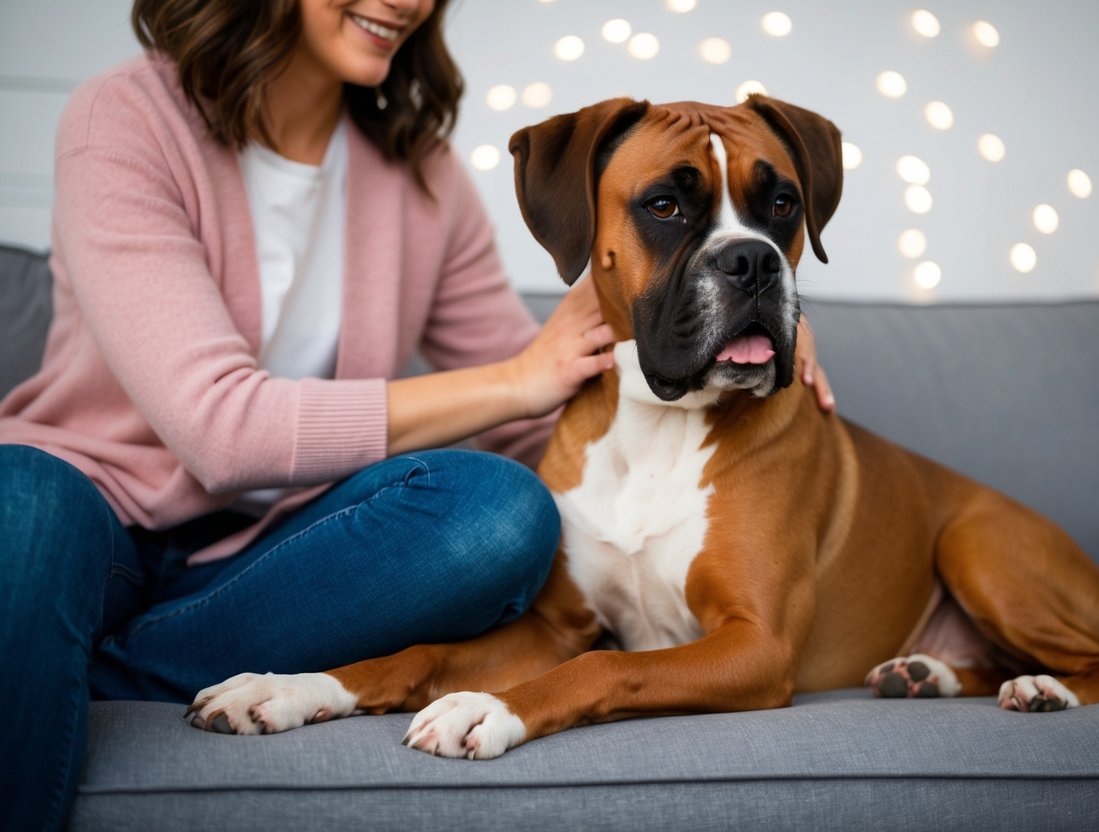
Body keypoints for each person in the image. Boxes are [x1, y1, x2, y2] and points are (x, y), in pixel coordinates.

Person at [0, 1, 835, 829]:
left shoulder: (418, 168)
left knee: (499, 511)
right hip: (97, 525)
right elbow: (219, 431)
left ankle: (97, 667)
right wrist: (519, 378)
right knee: (23, 495)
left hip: (283, 554)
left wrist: (740, 313)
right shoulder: (127, 116)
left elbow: (546, 416)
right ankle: (95, 657)